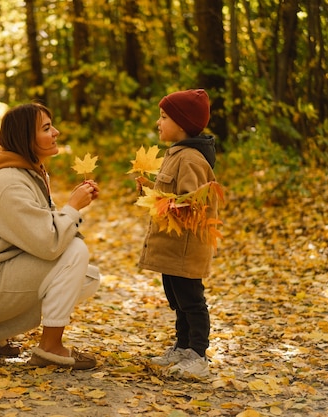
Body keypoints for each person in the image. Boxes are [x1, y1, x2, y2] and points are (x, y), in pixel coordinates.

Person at [0, 102, 101, 370]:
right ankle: (50, 348)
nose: (55, 132)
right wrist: (73, 208)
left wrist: (68, 214)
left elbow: (39, 234)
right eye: (46, 128)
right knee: (74, 254)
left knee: (87, 277)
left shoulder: (29, 174)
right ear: (25, 138)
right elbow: (50, 243)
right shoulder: (10, 182)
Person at [137, 89, 218, 380]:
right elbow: (170, 195)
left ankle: (198, 354)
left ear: (181, 124)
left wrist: (162, 202)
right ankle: (182, 347)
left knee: (191, 301)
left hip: (185, 249)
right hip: (171, 249)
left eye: (163, 117)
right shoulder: (175, 154)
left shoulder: (192, 160)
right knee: (177, 300)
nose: (158, 123)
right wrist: (150, 190)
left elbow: (192, 204)